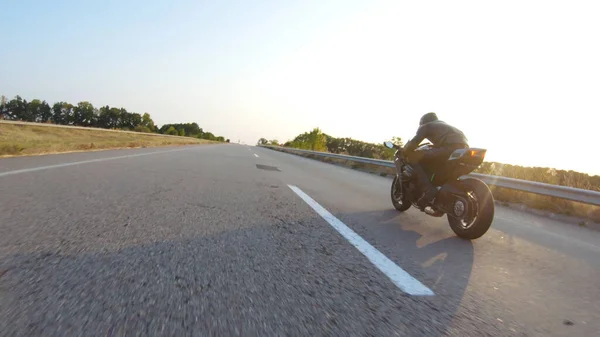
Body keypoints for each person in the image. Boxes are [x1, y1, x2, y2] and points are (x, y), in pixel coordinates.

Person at [402, 112, 469, 210]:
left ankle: (429, 190)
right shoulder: (446, 126)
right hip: (464, 150)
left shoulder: (426, 126)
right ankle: (442, 190)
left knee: (413, 158)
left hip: (448, 148)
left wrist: (405, 151)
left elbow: (414, 142)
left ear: (423, 121)